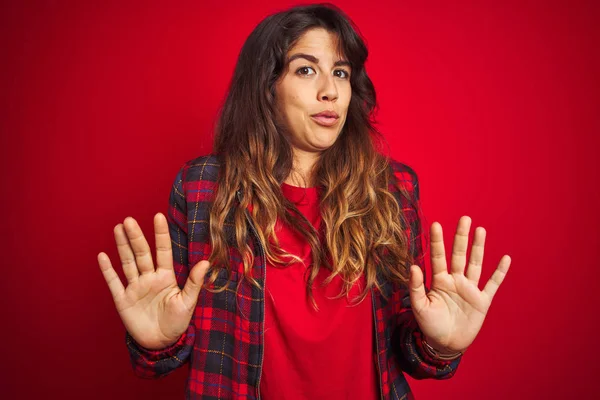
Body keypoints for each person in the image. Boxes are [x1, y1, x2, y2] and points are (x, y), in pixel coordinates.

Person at [97, 3, 511, 399]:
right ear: (266, 87)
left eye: (341, 72)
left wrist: (442, 345)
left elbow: (410, 347)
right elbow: (169, 352)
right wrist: (159, 342)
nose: (329, 90)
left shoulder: (392, 188)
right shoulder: (203, 186)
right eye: (306, 70)